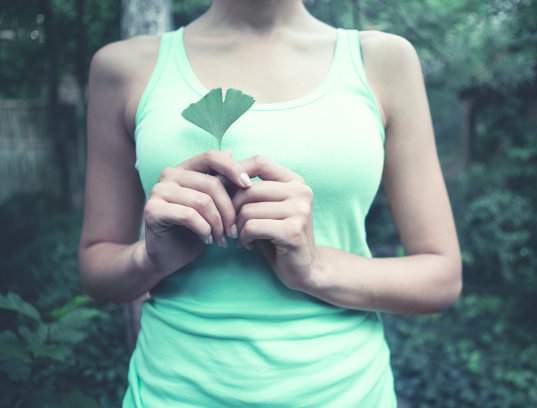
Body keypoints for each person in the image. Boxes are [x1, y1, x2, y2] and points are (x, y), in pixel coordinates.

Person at [78, 0, 462, 406]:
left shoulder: (383, 60)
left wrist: (316, 269)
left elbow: (441, 277)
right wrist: (151, 259)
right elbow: (96, 269)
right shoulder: (122, 68)